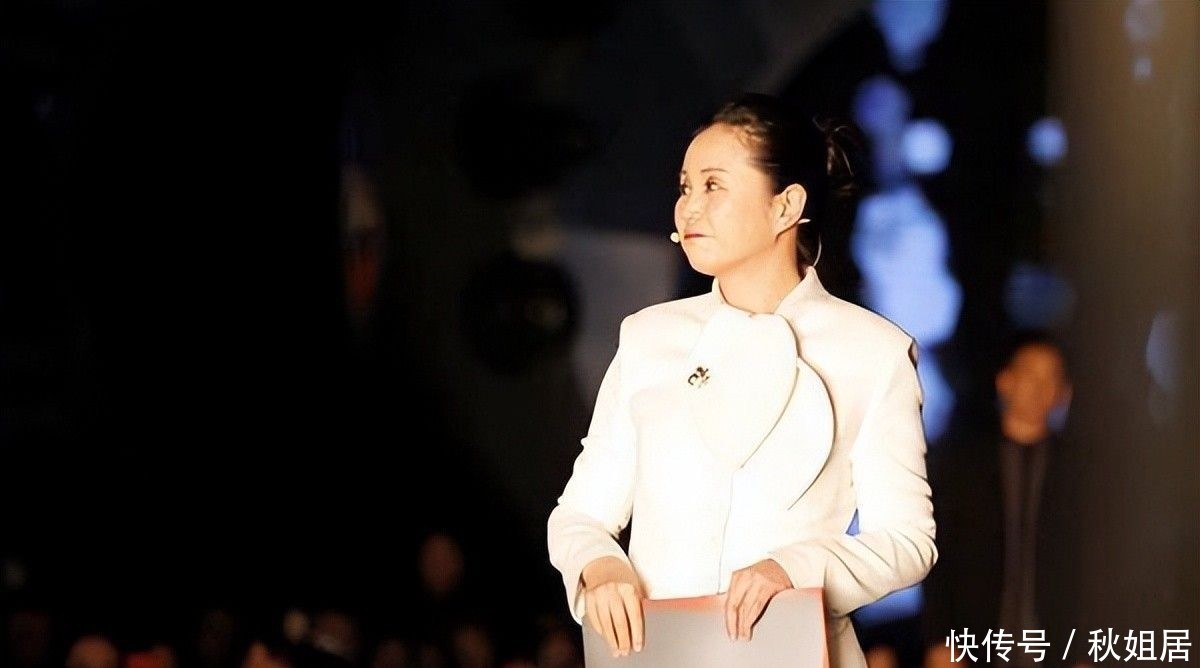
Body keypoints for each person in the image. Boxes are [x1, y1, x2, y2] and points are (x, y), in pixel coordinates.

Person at [546, 92, 937, 668]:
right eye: (685, 188)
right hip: (657, 653)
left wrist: (795, 569)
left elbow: (907, 541)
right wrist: (599, 566)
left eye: (713, 186)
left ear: (786, 206)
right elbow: (580, 513)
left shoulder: (873, 353)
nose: (689, 209)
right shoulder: (649, 338)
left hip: (798, 653)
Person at [921, 332, 1078, 668]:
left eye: (1050, 377)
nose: (1038, 387)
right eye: (1030, 373)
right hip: (974, 639)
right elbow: (938, 552)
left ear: (1064, 392)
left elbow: (1093, 566)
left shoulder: (1079, 471)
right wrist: (940, 639)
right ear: (1005, 381)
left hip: (1055, 642)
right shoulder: (962, 463)